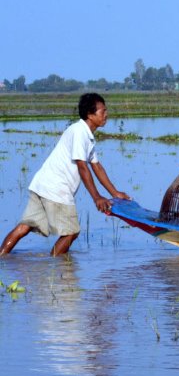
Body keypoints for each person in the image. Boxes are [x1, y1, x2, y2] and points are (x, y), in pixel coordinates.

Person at [1, 93, 130, 256]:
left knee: (24, 226)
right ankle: (55, 268)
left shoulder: (86, 135)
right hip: (56, 188)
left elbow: (96, 166)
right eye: (102, 111)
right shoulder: (79, 132)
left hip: (42, 184)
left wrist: (115, 193)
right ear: (90, 115)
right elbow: (83, 167)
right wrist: (96, 197)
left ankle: (2, 259)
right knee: (71, 232)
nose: (106, 115)